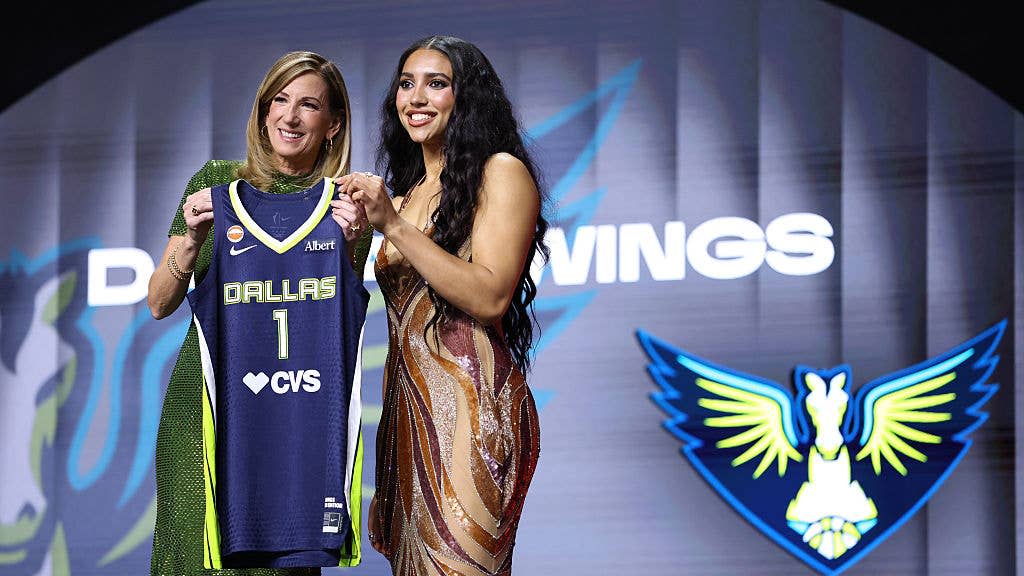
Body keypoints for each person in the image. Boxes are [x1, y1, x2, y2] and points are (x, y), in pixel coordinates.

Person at [147, 50, 371, 576]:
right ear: (263, 110)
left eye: (309, 105)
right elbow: (159, 302)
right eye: (280, 100)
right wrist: (191, 238)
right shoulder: (217, 182)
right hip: (207, 417)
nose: (290, 117)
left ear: (333, 123)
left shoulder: (345, 205)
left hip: (297, 424)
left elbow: (339, 322)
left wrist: (354, 243)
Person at [334, 35, 547, 575]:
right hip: (409, 421)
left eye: (436, 83)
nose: (416, 98)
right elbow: (399, 337)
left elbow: (492, 295)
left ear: (467, 97)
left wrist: (395, 227)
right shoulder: (403, 194)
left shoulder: (501, 171)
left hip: (473, 412)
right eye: (406, 84)